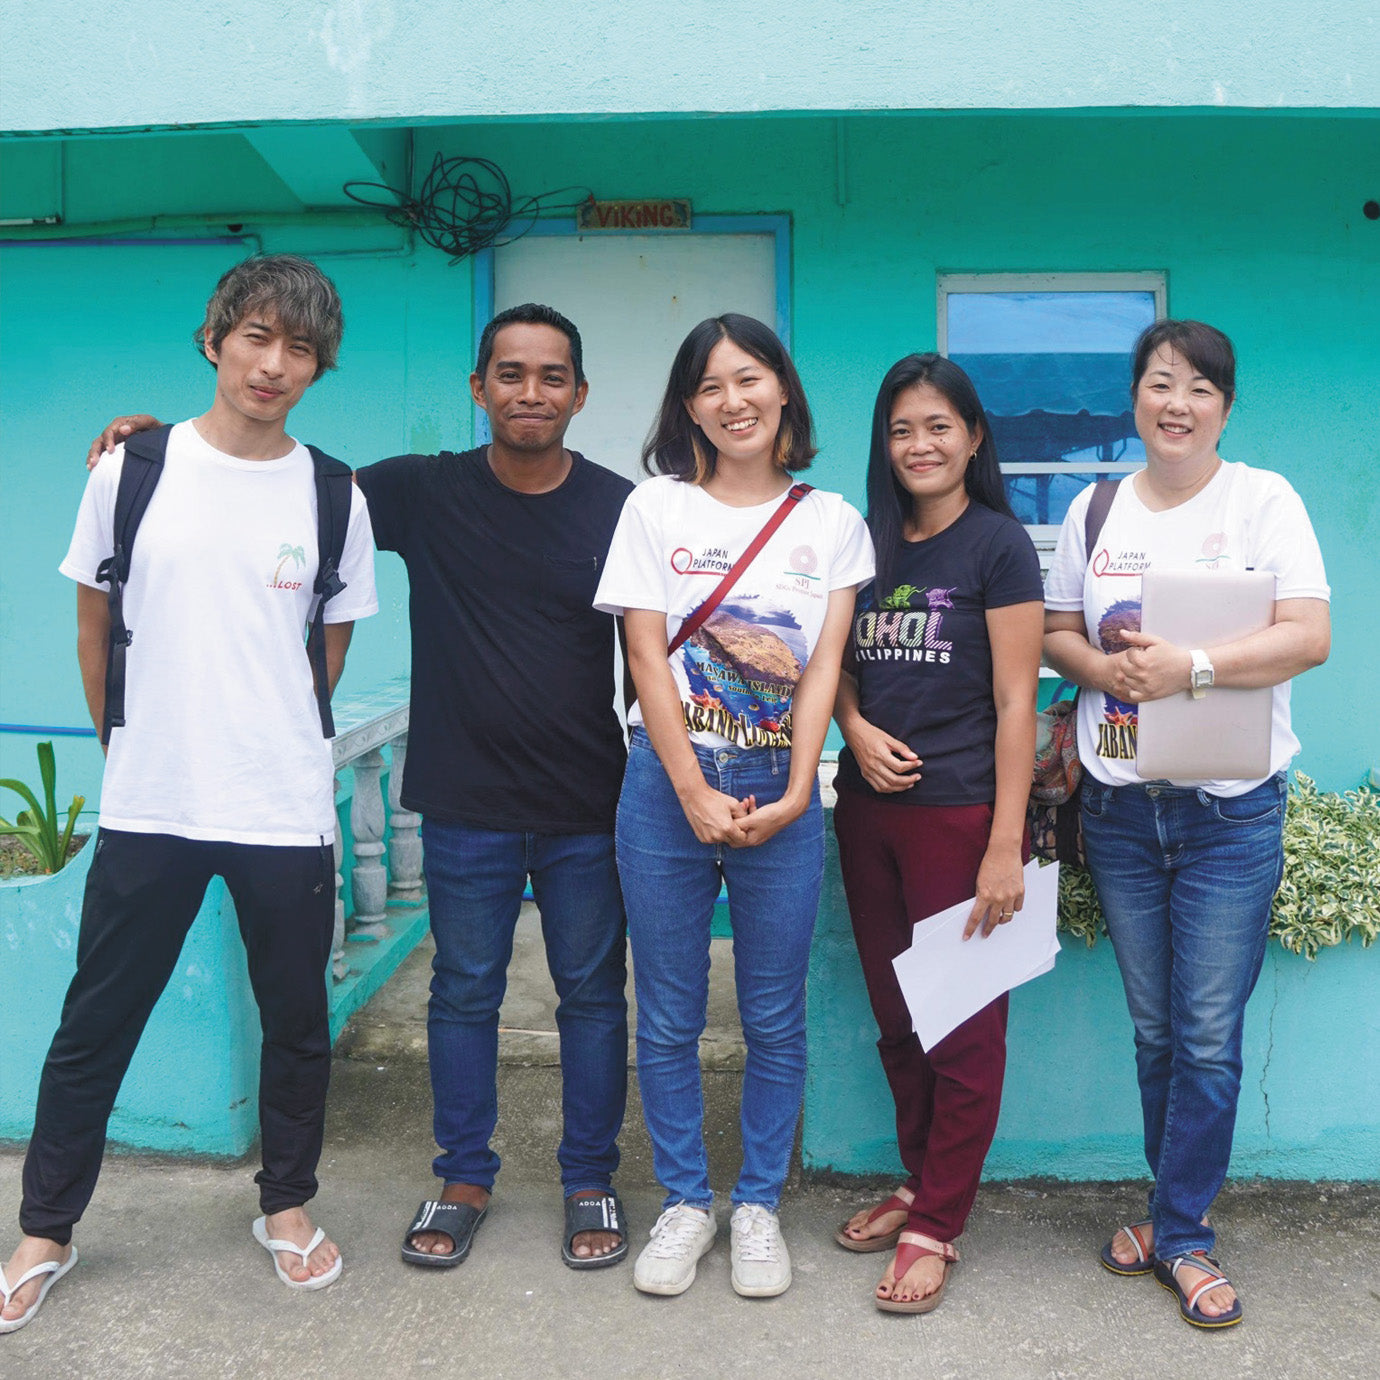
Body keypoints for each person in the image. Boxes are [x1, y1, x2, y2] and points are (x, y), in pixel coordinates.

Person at [81, 303, 634, 1273]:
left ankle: (590, 1178)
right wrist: (154, 441)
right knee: (463, 995)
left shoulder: (623, 507)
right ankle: (464, 1178)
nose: (531, 391)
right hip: (462, 804)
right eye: (510, 373)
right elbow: (267, 477)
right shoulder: (419, 491)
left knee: (591, 998)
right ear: (479, 388)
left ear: (580, 394)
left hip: (589, 803)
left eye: (552, 376)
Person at [1, 255, 378, 1334]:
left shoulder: (333, 493)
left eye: (299, 348)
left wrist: (267, 734)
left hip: (281, 805)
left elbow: (326, 651)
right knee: (97, 1021)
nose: (273, 364)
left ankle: (287, 1208)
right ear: (215, 338)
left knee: (296, 1021)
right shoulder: (132, 469)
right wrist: (131, 746)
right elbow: (94, 625)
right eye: (256, 336)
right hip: (152, 800)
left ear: (318, 368)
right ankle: (45, 1231)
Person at [1043, 319, 1330, 1329]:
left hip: (1229, 811)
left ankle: (1182, 1233)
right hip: (1121, 806)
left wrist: (1192, 668)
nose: (1179, 403)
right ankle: (1176, 1217)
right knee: (1157, 1031)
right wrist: (1106, 669)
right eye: (1161, 383)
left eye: (1200, 388)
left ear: (1225, 407)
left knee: (1206, 1035)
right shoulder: (1094, 508)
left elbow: (1310, 635)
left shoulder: (1263, 501)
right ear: (1135, 397)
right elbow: (1058, 632)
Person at [594, 313, 873, 1298]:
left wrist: (801, 787)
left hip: (779, 786)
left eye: (749, 378)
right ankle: (686, 1201)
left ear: (782, 388)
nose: (733, 400)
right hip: (665, 784)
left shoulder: (831, 521)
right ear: (689, 407)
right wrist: (689, 788)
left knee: (774, 1015)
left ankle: (756, 1204)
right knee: (668, 1012)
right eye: (710, 386)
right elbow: (644, 655)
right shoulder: (655, 509)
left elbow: (824, 665)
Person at [830, 354, 1044, 1314]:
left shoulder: (999, 545)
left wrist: (1005, 842)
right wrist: (851, 726)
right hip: (867, 814)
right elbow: (832, 665)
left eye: (938, 427)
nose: (919, 445)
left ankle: (939, 1223)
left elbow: (1016, 702)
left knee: (961, 1026)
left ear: (974, 436)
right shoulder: (865, 541)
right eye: (901, 430)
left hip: (961, 818)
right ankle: (921, 1181)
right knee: (899, 1020)